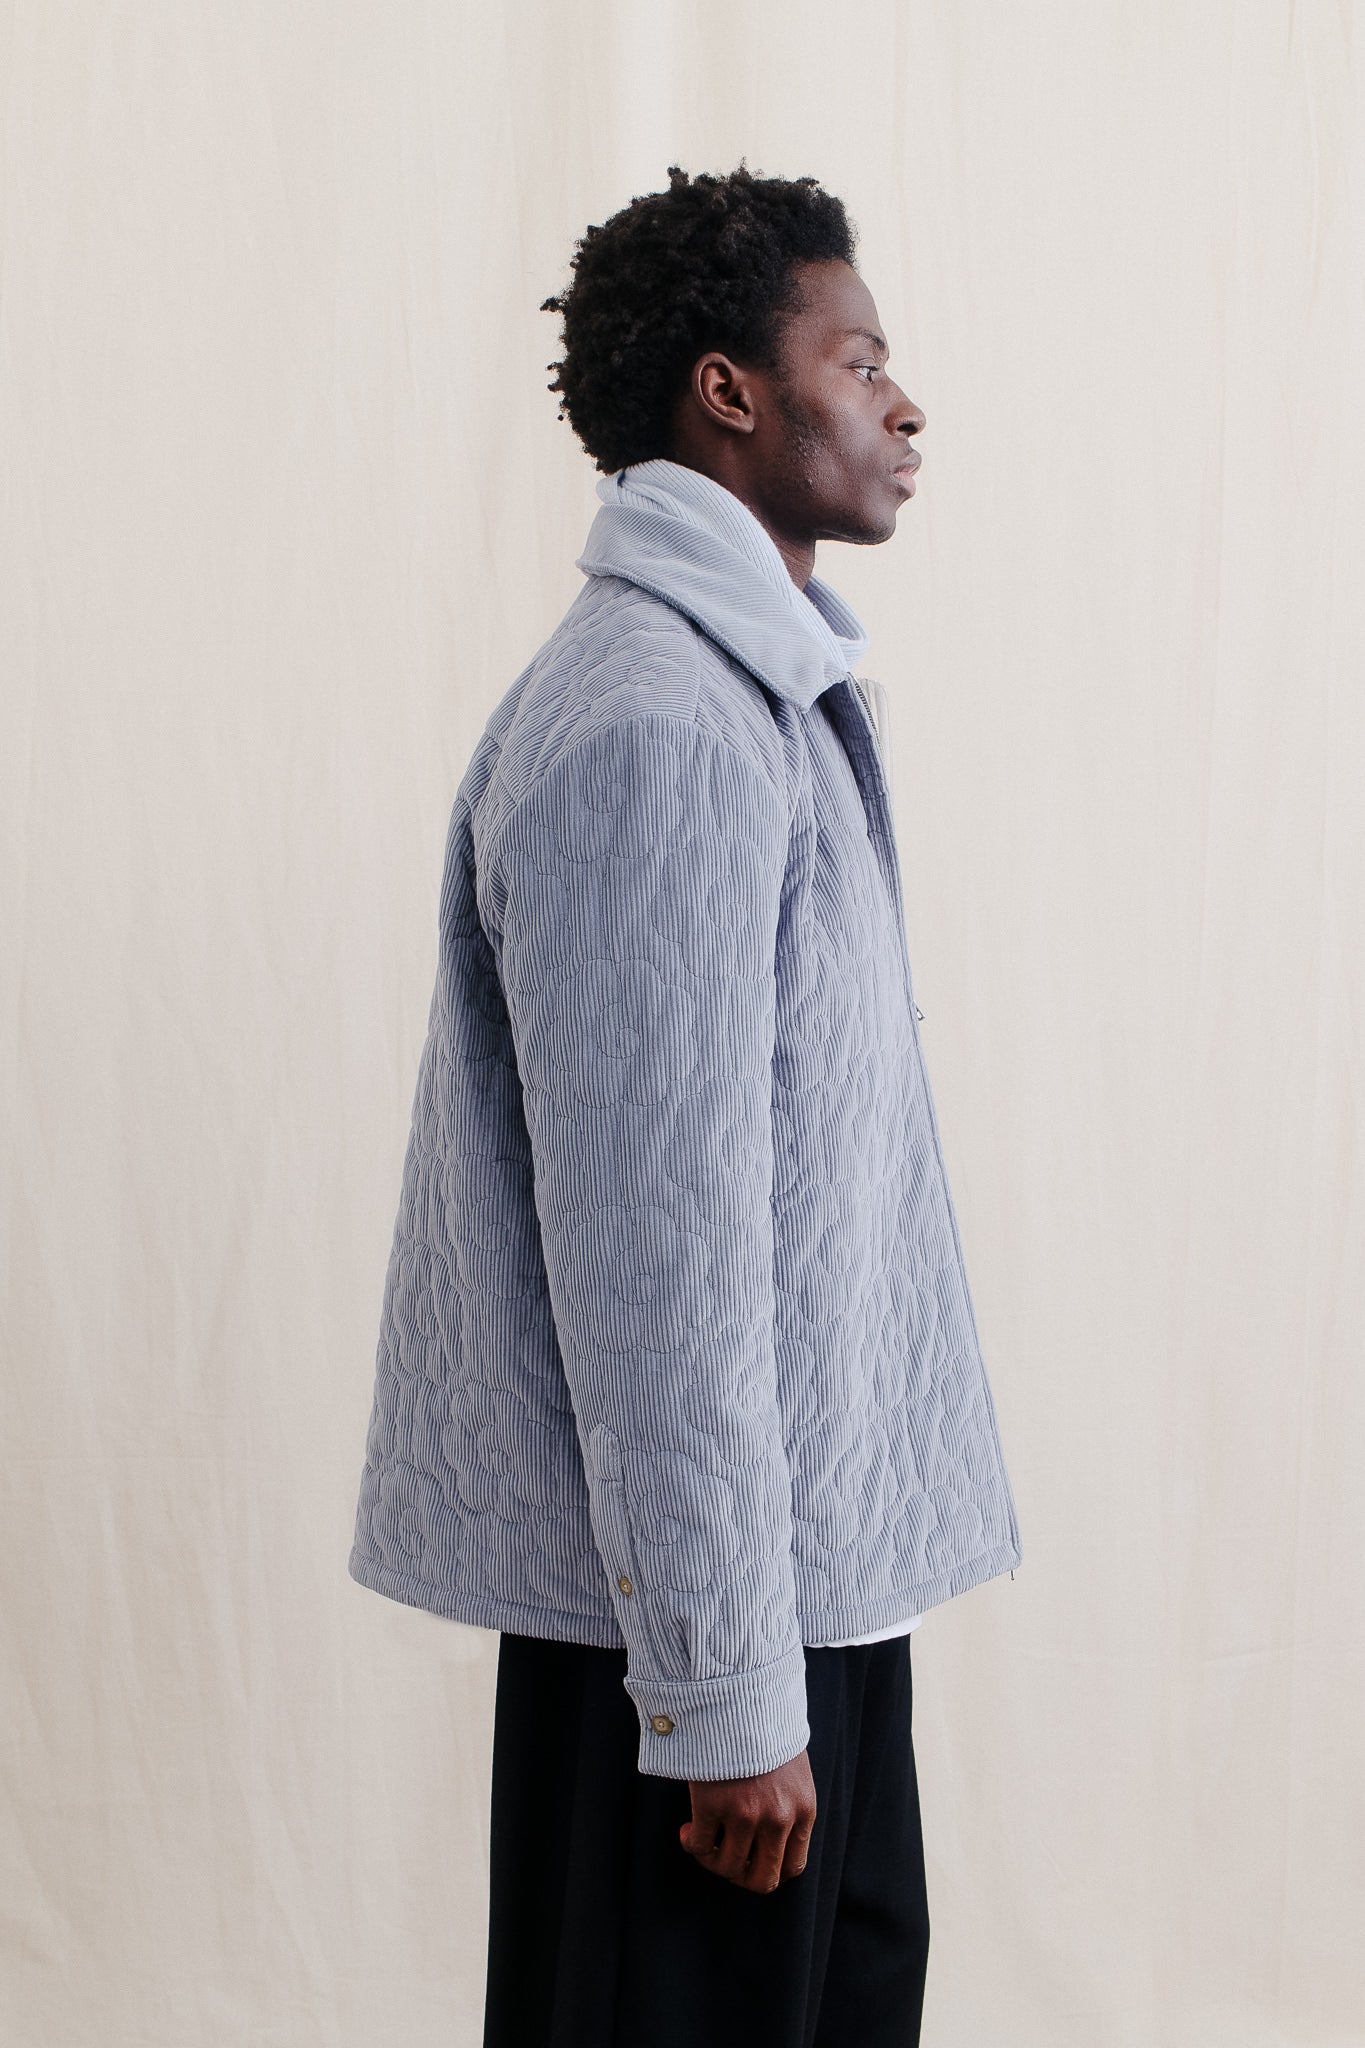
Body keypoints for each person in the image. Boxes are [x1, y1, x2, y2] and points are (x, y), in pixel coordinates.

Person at [347, 162, 1022, 2048]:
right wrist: (720, 1697)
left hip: (797, 1599)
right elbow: (658, 1269)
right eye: (857, 361)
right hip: (696, 1662)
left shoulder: (752, 700)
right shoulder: (656, 724)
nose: (901, 405)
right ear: (729, 392)